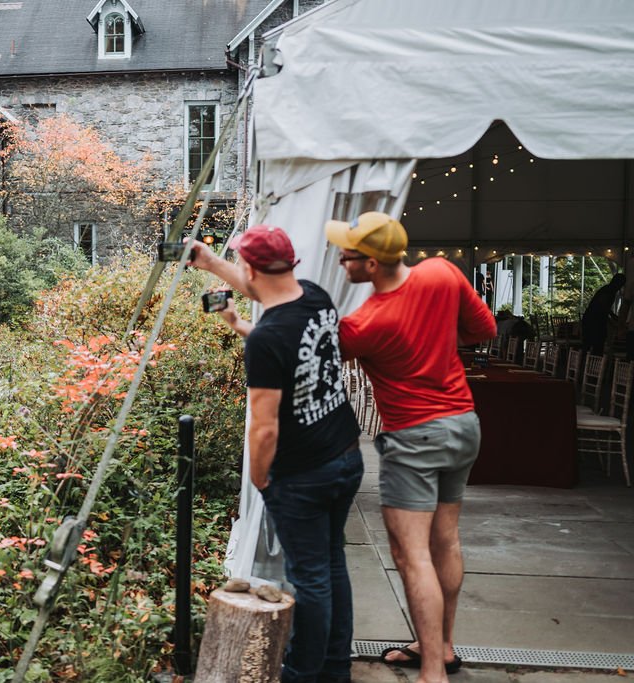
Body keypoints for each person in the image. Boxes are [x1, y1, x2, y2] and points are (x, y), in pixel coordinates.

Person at [325, 212, 496, 683]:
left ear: (374, 264)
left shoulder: (365, 323)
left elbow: (309, 353)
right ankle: (440, 646)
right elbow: (485, 331)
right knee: (446, 541)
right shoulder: (442, 272)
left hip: (415, 437)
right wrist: (439, 336)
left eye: (350, 254)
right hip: (463, 425)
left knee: (411, 554)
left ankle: (433, 674)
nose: (341, 258)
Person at [188, 225, 363, 683]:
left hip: (303, 472)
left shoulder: (268, 338)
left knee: (310, 578)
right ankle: (335, 668)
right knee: (332, 563)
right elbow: (286, 338)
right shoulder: (315, 296)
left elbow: (264, 427)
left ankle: (303, 673)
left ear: (250, 267)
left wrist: (263, 479)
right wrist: (213, 269)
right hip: (345, 452)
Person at [580, 272, 626, 355]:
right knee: (597, 345)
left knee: (589, 345)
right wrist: (613, 320)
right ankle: (593, 365)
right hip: (594, 322)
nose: (621, 287)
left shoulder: (608, 289)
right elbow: (602, 307)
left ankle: (585, 365)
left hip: (592, 320)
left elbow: (604, 307)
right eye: (621, 285)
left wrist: (613, 317)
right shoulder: (609, 291)